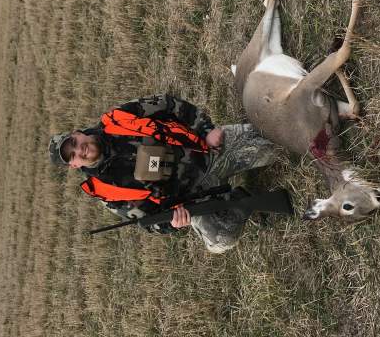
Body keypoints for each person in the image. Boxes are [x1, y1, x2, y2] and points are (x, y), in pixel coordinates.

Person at [48, 93, 278, 253]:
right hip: (200, 198)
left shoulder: (117, 118)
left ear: (77, 133)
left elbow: (168, 104)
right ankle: (238, 200)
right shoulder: (108, 192)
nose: (79, 150)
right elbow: (150, 222)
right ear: (75, 165)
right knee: (220, 240)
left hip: (210, 152)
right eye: (73, 155)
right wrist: (173, 224)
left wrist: (205, 130)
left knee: (273, 142)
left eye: (73, 143)